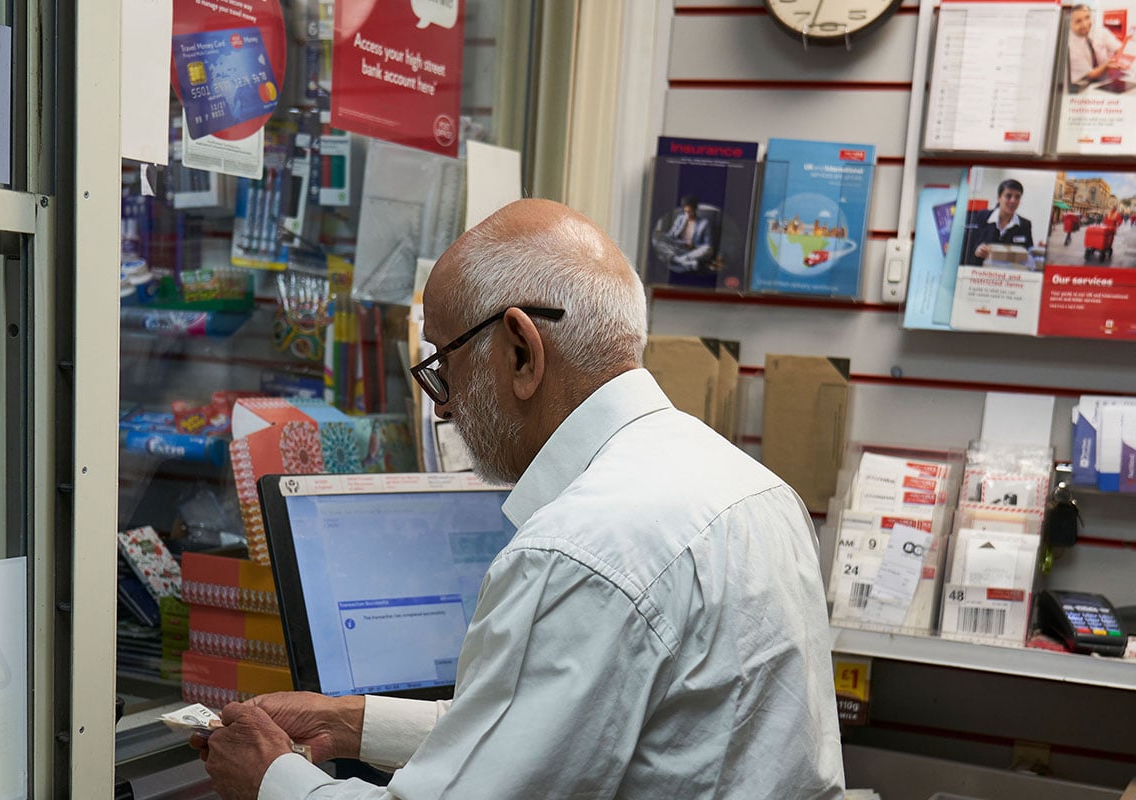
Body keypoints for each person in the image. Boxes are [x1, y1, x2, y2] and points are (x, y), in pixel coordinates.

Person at [193, 199, 845, 799]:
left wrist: (270, 778)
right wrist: (349, 721)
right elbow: (551, 738)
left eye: (444, 366)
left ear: (521, 352)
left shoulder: (577, 551)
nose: (443, 407)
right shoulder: (754, 489)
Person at [961, 179, 1034, 266]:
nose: (1013, 200)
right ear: (999, 197)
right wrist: (977, 250)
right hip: (980, 271)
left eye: (1017, 197)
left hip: (1009, 272)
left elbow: (1029, 252)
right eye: (1008, 196)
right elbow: (967, 246)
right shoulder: (981, 217)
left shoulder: (1025, 225)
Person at [1067, 4, 1122, 86]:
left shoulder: (1101, 32)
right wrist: (1106, 66)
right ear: (1070, 24)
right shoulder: (1070, 45)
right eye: (1078, 21)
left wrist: (1122, 57)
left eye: (1087, 17)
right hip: (1082, 86)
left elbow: (1120, 49)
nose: (1085, 24)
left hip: (1105, 83)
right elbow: (1090, 74)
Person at [660, 193, 715, 271]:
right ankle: (686, 262)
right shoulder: (680, 218)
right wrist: (682, 226)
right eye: (685, 211)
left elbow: (707, 244)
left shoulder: (704, 223)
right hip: (678, 247)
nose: (687, 214)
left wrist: (693, 246)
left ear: (695, 210)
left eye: (690, 212)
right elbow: (671, 235)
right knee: (659, 241)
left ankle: (679, 260)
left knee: (707, 249)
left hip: (693, 251)